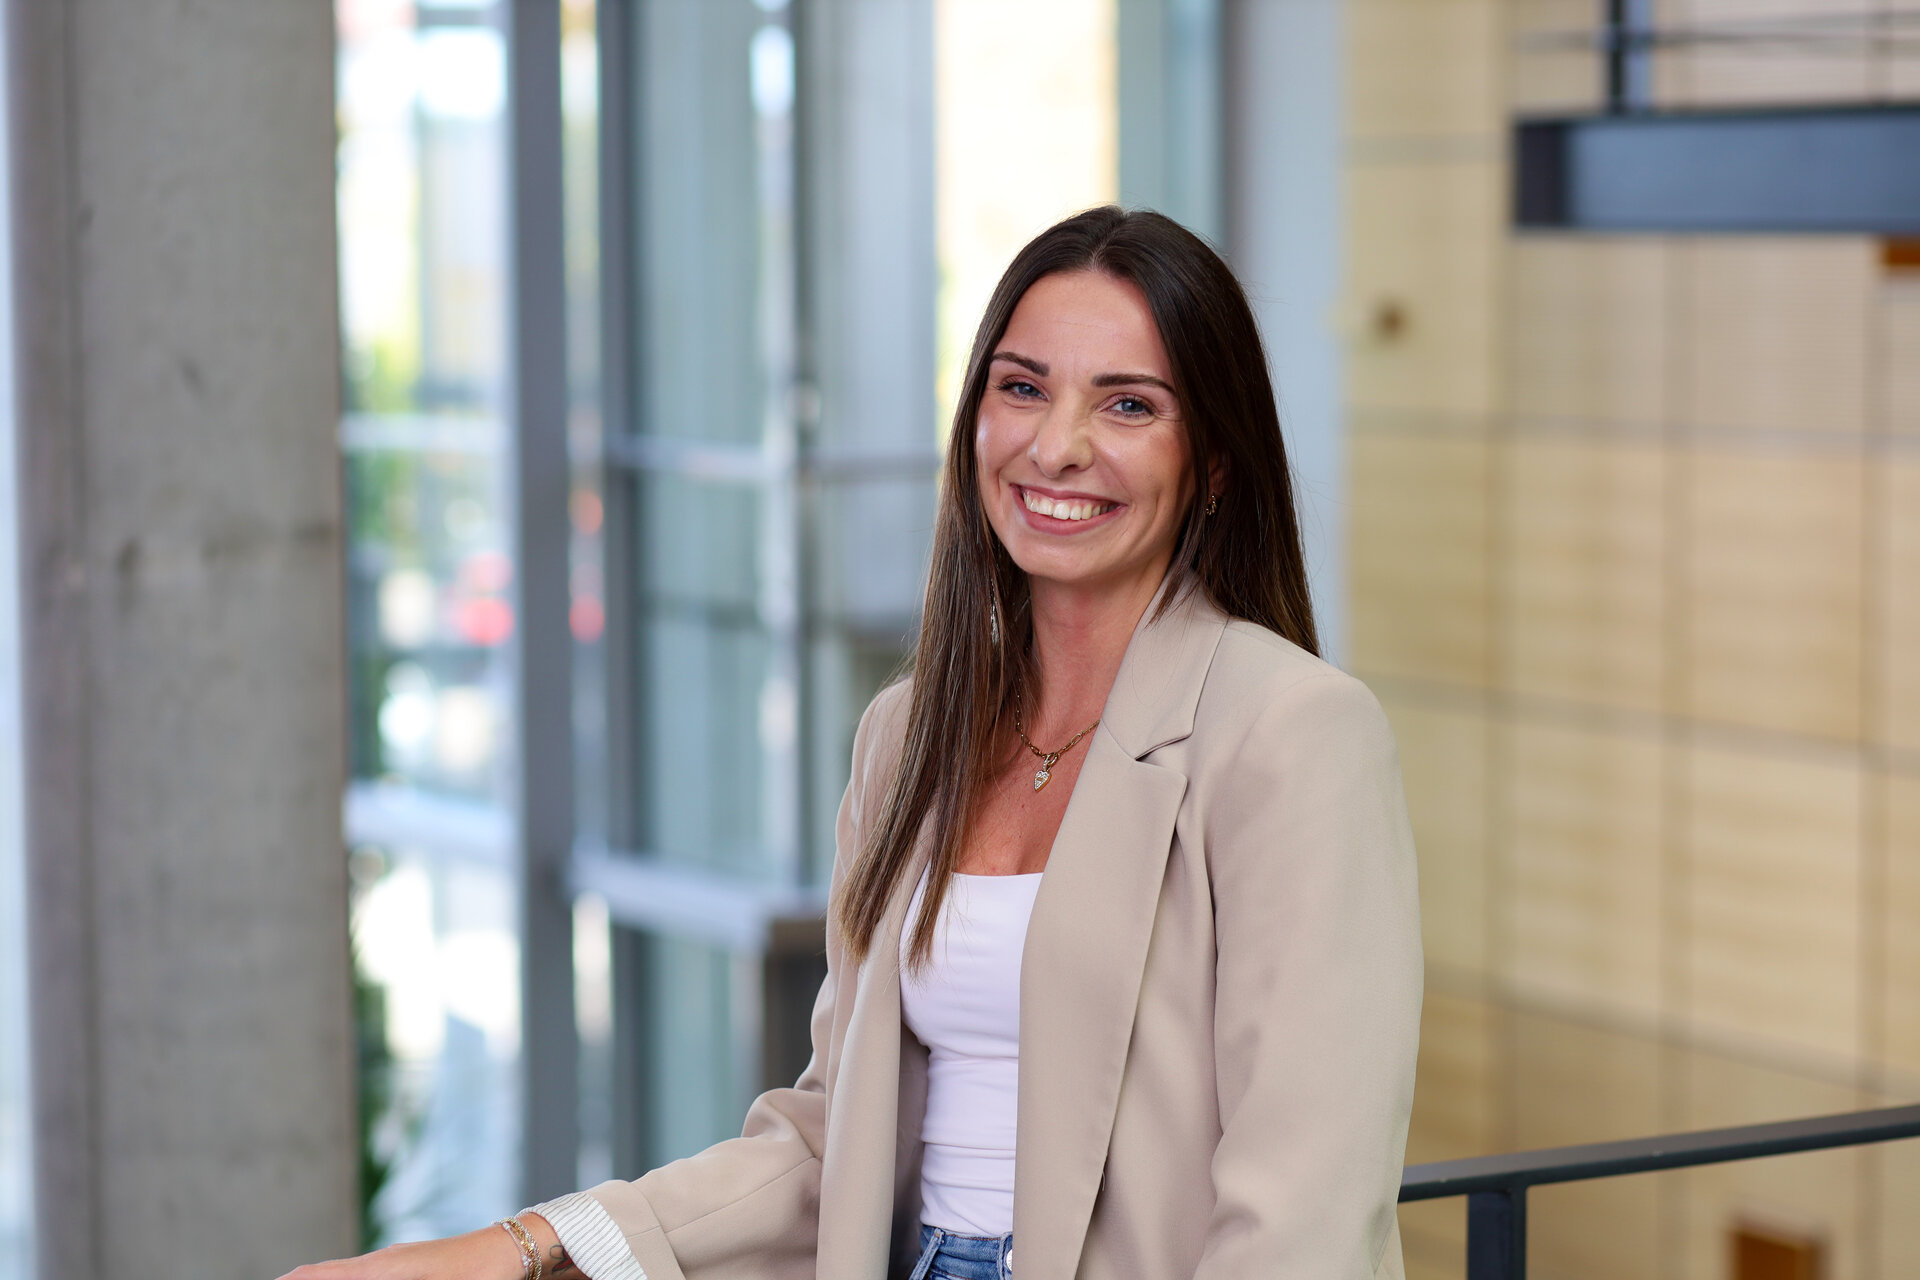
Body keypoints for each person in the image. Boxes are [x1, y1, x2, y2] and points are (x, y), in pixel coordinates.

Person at [282, 206, 1422, 1280]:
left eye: (1128, 405)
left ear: (1213, 462)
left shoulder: (1291, 733)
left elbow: (1303, 1209)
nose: (1058, 444)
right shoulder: (908, 736)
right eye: (1022, 387)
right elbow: (836, 1135)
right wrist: (528, 1243)